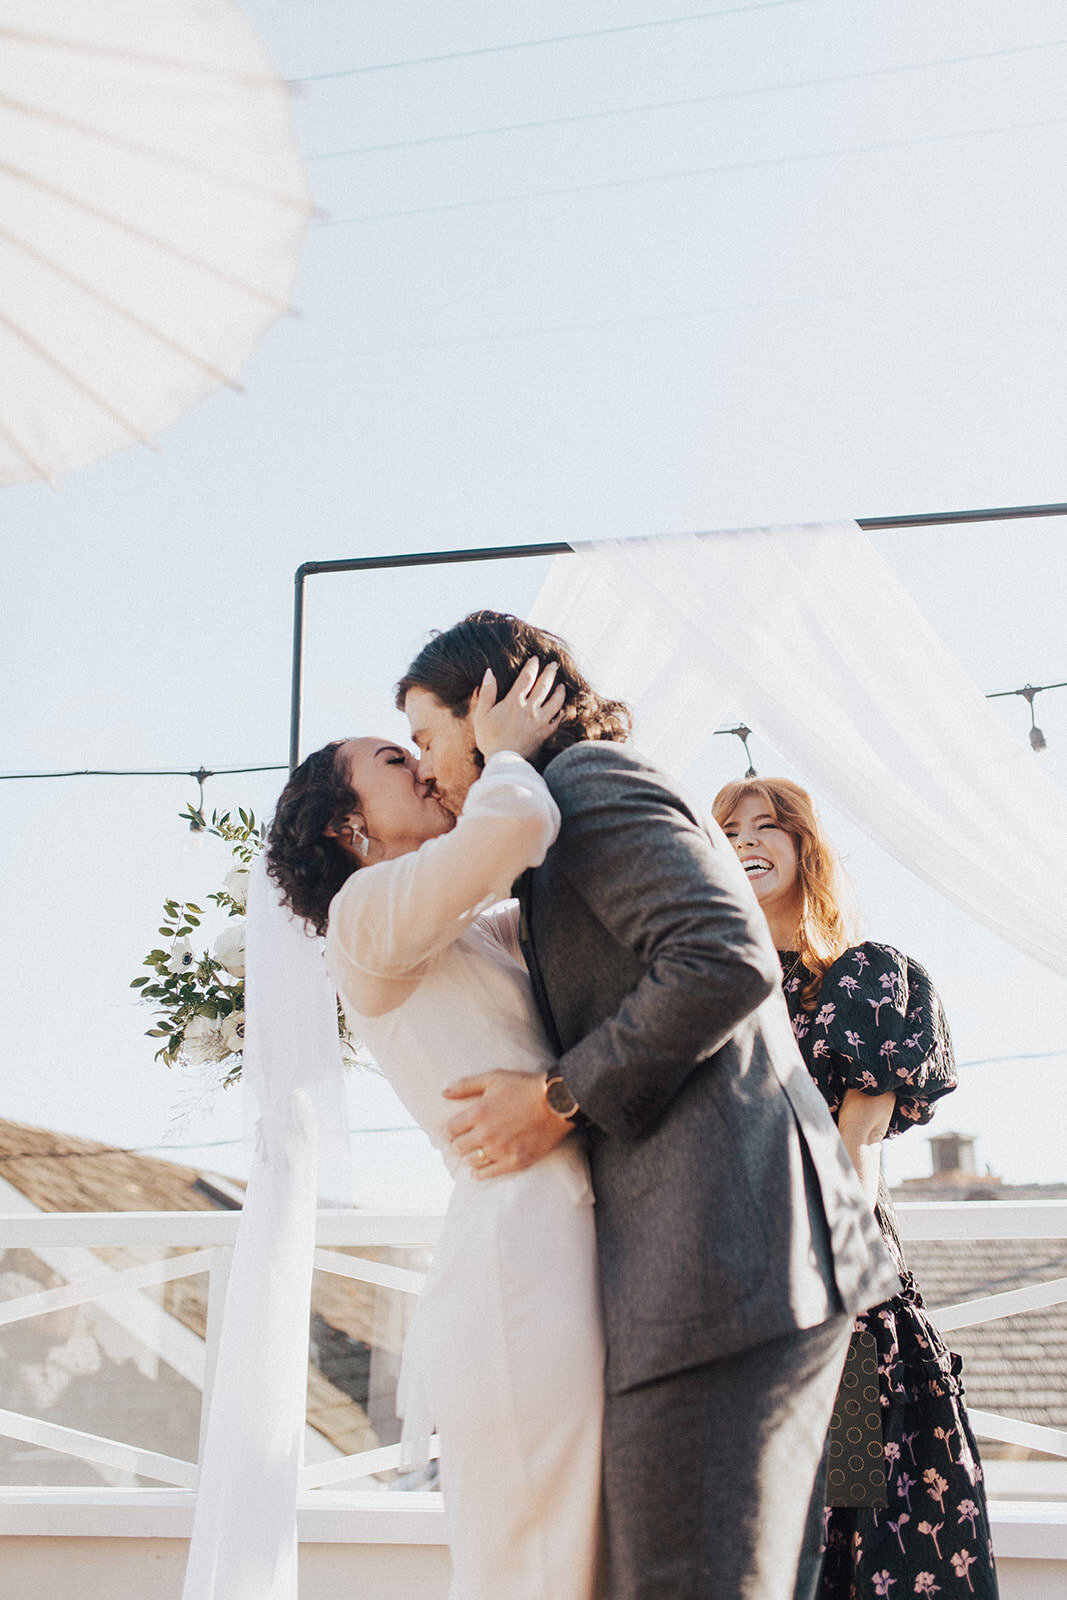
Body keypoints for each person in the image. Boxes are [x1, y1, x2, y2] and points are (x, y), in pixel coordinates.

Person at [395, 611, 900, 1600]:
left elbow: (723, 955)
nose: (424, 766)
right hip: (706, 1268)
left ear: (491, 707)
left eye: (425, 735)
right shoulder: (549, 833)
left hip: (729, 1264)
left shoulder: (591, 784)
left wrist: (556, 1097)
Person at [265, 659, 604, 1600]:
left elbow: (551, 893)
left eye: (420, 746)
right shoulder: (363, 919)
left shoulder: (458, 931)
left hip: (561, 1242)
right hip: (519, 1265)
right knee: (540, 1557)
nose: (423, 764)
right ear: (348, 824)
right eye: (395, 756)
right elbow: (521, 822)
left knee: (578, 1548)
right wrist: (498, 748)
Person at [712, 776, 999, 1600]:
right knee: (753, 1528)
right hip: (726, 1287)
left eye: (768, 827)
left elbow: (857, 1144)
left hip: (833, 1292)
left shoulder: (861, 980)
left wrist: (815, 1281)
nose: (745, 842)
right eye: (726, 831)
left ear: (805, 847)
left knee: (853, 1521)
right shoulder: (699, 990)